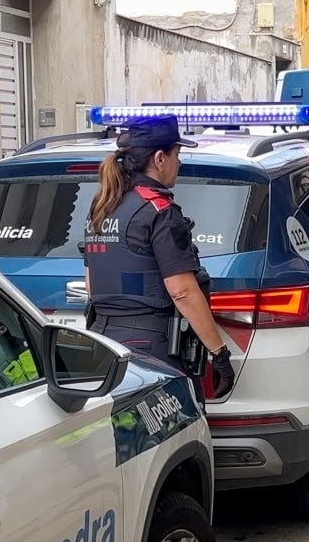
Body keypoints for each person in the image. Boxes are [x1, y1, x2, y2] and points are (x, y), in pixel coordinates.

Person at [83, 114, 236, 401]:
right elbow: (182, 291)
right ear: (159, 158)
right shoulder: (159, 212)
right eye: (177, 154)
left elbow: (92, 285)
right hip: (150, 348)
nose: (180, 162)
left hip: (103, 343)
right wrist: (220, 353)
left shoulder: (103, 205)